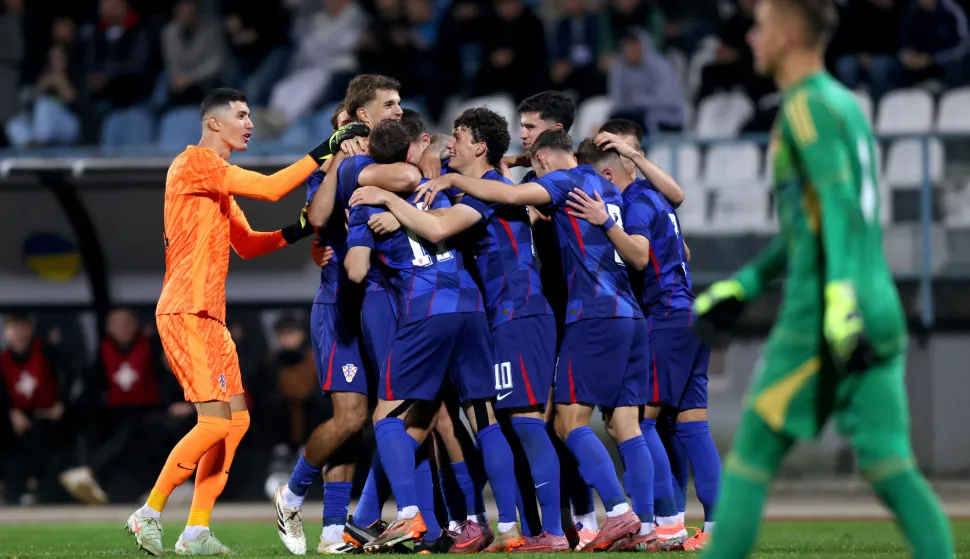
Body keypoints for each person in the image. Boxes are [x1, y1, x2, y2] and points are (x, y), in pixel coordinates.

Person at [690, 1, 954, 557]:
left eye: (760, 26)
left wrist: (838, 298)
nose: (752, 37)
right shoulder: (846, 104)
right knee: (889, 466)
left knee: (751, 454)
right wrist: (746, 284)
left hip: (824, 310)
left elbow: (836, 203)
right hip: (874, 298)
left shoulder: (805, 106)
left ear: (786, 34)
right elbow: (814, 224)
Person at [421, 128, 660, 552]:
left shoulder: (554, 182)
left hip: (581, 314)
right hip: (629, 314)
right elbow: (640, 252)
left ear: (544, 161)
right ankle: (647, 526)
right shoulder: (604, 185)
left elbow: (505, 201)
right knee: (624, 423)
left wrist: (450, 181)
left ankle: (608, 515)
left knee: (561, 422)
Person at [348, 107, 568, 551]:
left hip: (514, 311)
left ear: (480, 147)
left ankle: (554, 530)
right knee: (487, 419)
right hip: (486, 313)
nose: (450, 144)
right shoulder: (464, 185)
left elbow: (437, 225)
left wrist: (390, 202)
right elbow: (428, 183)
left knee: (522, 422)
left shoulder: (487, 191)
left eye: (459, 137)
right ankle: (505, 527)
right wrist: (424, 185)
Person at [125, 87, 324, 556]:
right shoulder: (193, 163)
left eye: (250, 114)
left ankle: (196, 530)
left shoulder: (216, 183)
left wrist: (299, 228)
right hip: (185, 310)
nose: (250, 122)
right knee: (213, 423)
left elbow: (249, 244)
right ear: (214, 123)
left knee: (235, 421)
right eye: (241, 115)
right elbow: (273, 187)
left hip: (211, 317)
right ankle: (148, 512)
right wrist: (327, 148)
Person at [274, 84, 420, 555]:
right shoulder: (333, 162)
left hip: (386, 299)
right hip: (341, 300)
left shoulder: (397, 158)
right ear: (362, 114)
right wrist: (338, 159)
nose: (399, 110)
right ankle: (292, 493)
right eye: (390, 105)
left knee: (381, 415)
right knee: (351, 417)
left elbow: (415, 181)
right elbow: (317, 218)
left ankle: (336, 530)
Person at [572, 123, 716, 551]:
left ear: (609, 174)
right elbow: (683, 249)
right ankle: (715, 529)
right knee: (694, 426)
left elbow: (637, 255)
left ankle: (662, 523)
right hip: (690, 313)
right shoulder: (658, 197)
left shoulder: (633, 204)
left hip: (665, 317)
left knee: (638, 423)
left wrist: (604, 223)